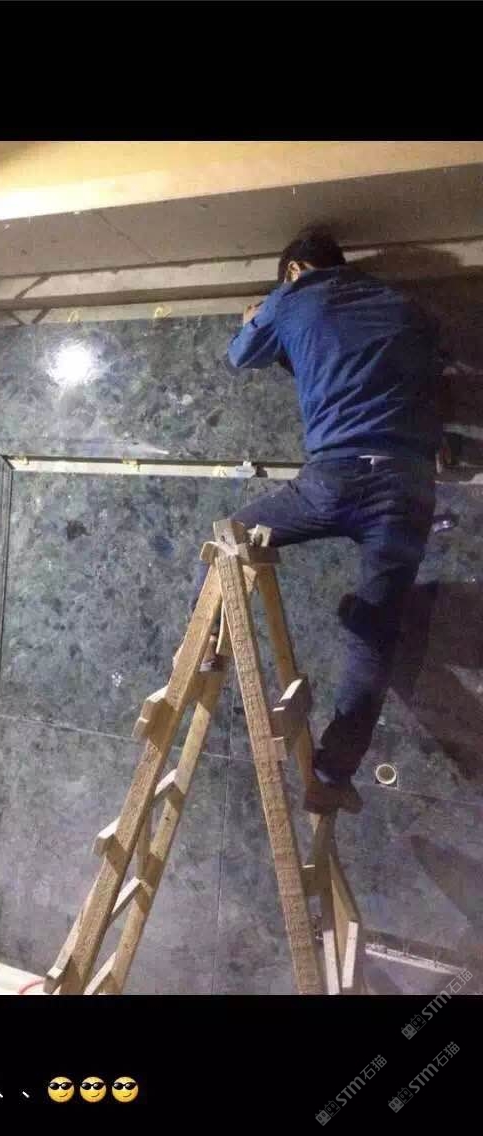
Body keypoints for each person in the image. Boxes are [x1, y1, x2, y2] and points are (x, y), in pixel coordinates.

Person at [189, 227, 443, 815]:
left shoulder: (295, 296)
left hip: (336, 476)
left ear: (295, 270)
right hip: (406, 486)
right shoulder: (405, 307)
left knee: (227, 542)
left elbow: (239, 355)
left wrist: (254, 316)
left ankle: (208, 654)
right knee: (373, 636)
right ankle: (330, 774)